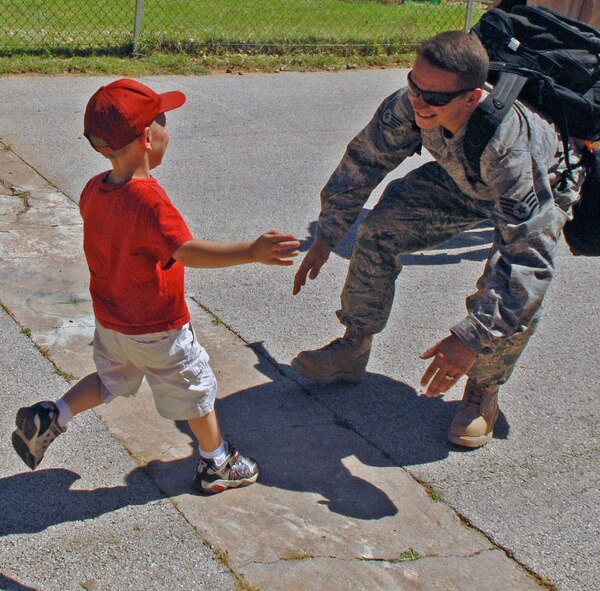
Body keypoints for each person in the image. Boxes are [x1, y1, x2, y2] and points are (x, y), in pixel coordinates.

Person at [291, 30, 585, 448]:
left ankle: (483, 395)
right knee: (380, 229)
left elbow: (528, 260)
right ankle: (353, 348)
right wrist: (328, 232)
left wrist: (472, 336)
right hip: (468, 179)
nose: (419, 103)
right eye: (414, 86)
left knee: (510, 285)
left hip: (536, 190)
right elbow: (365, 159)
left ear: (472, 97)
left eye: (434, 98)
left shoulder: (509, 148)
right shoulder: (410, 104)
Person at [11, 78, 300, 493]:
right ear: (148, 137)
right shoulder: (150, 200)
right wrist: (250, 251)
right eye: (163, 121)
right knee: (196, 390)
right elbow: (186, 251)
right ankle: (217, 462)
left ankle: (53, 414)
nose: (167, 129)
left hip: (112, 323)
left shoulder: (94, 189)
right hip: (157, 328)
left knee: (111, 380)